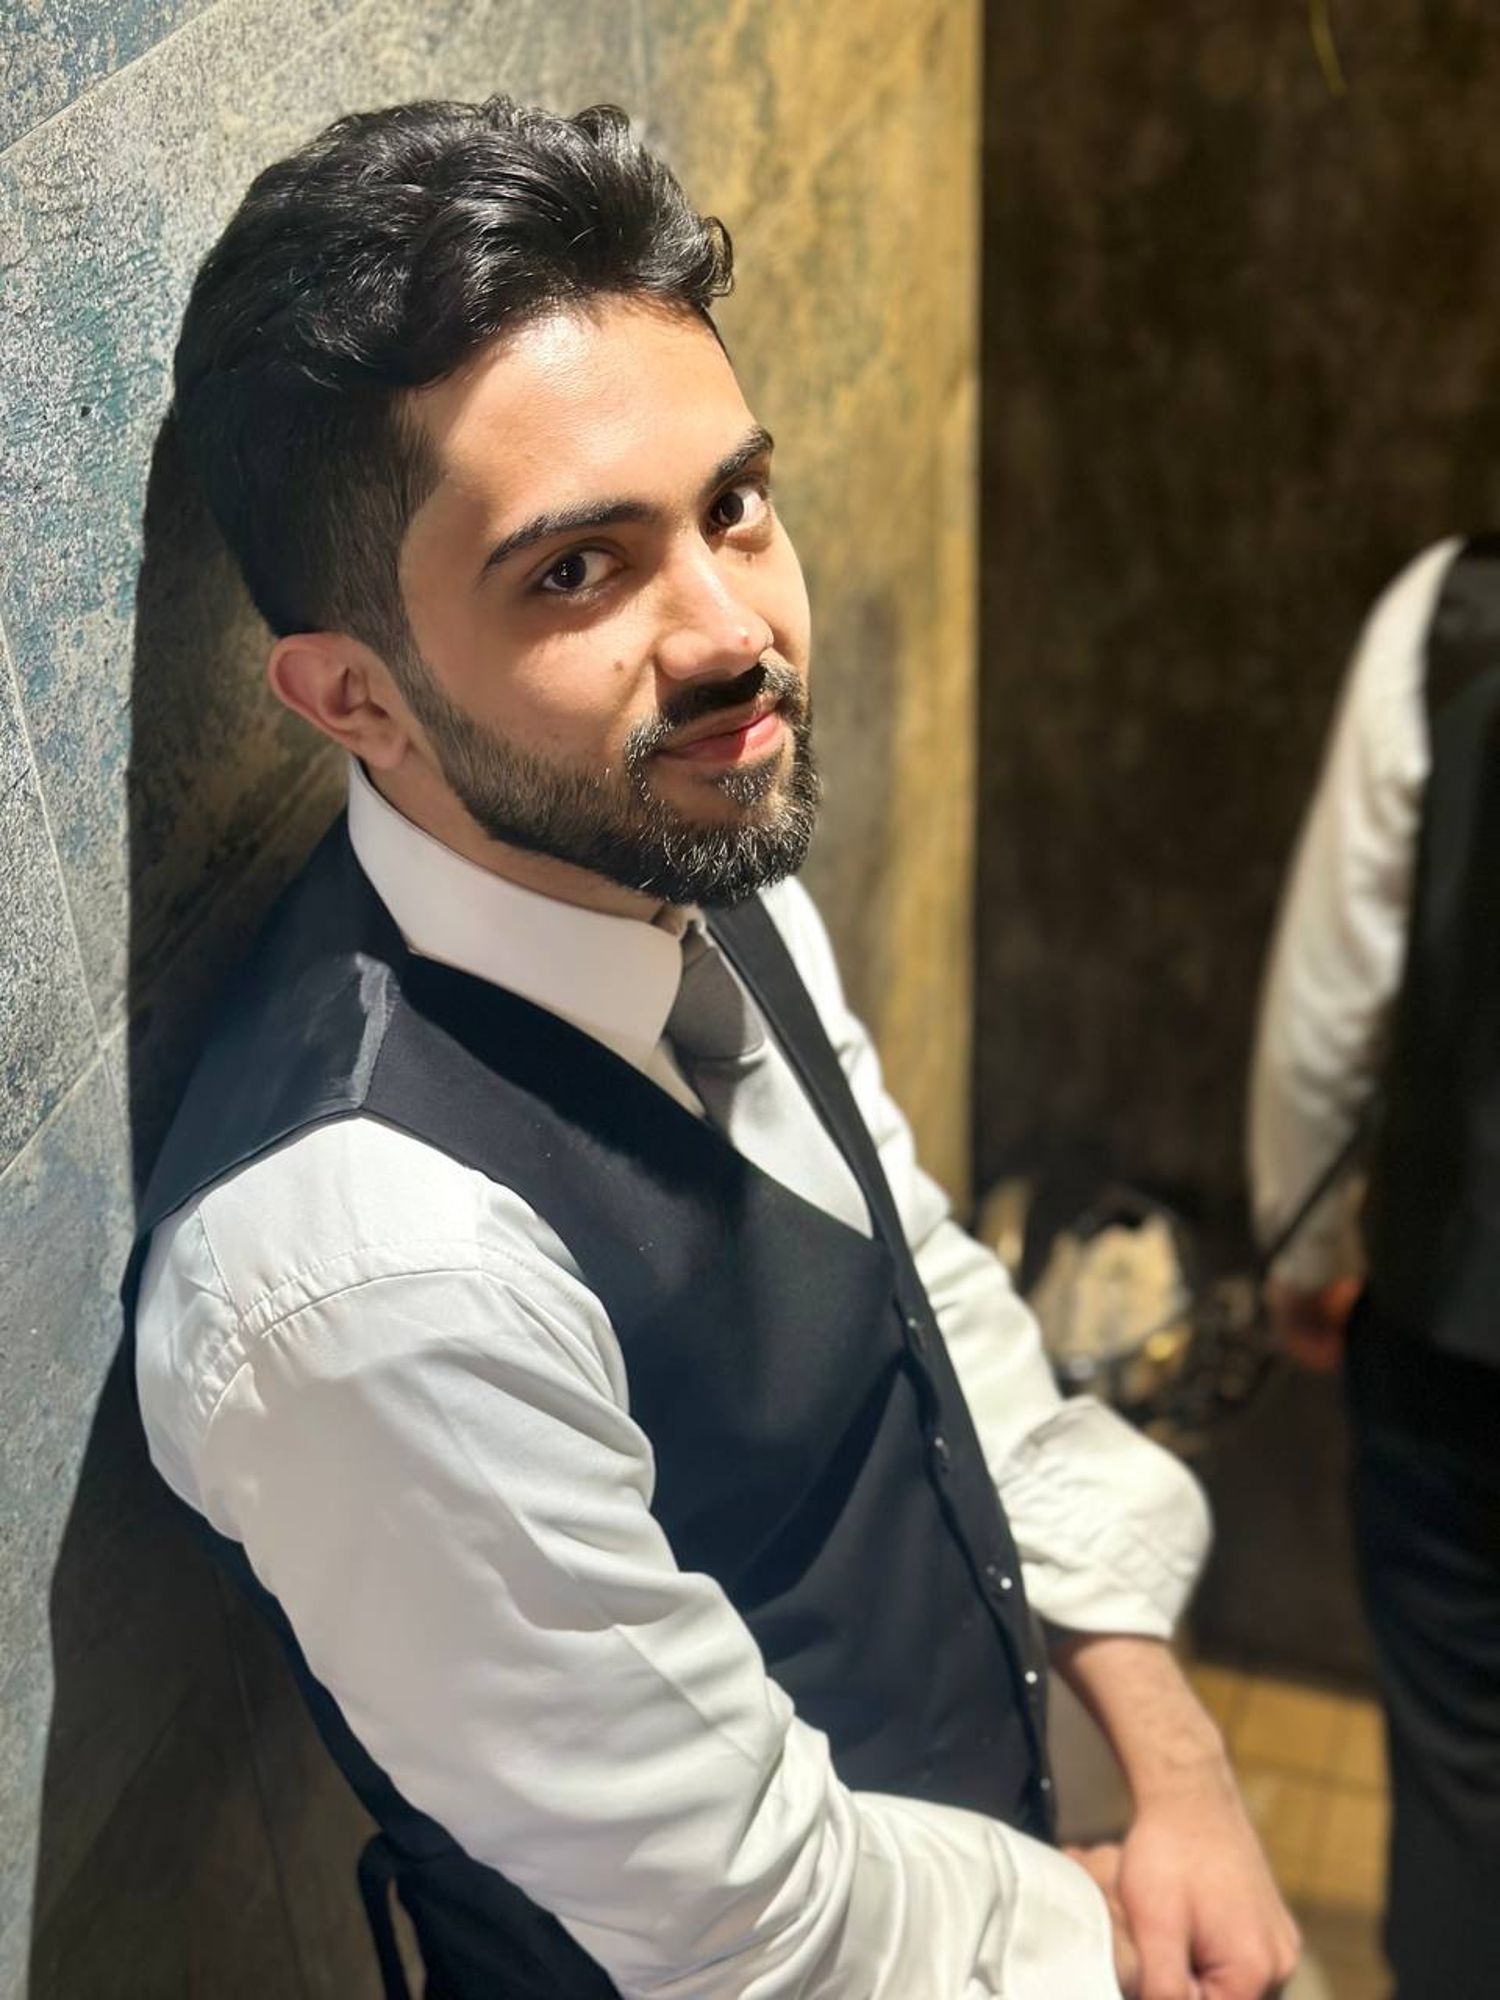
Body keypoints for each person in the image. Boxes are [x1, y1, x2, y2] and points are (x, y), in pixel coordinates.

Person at [131, 96, 1296, 2000]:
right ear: (355, 697)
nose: (735, 634)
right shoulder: (369, 1280)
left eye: (733, 505)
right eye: (575, 572)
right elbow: (755, 1920)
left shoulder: (666, 838)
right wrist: (1101, 1934)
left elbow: (919, 1282)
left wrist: (1175, 1768)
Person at [1251, 536, 1500, 1999]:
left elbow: (1332, 997)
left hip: (1465, 1320)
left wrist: (1305, 1242)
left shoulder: (1455, 615)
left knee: (1462, 1768)